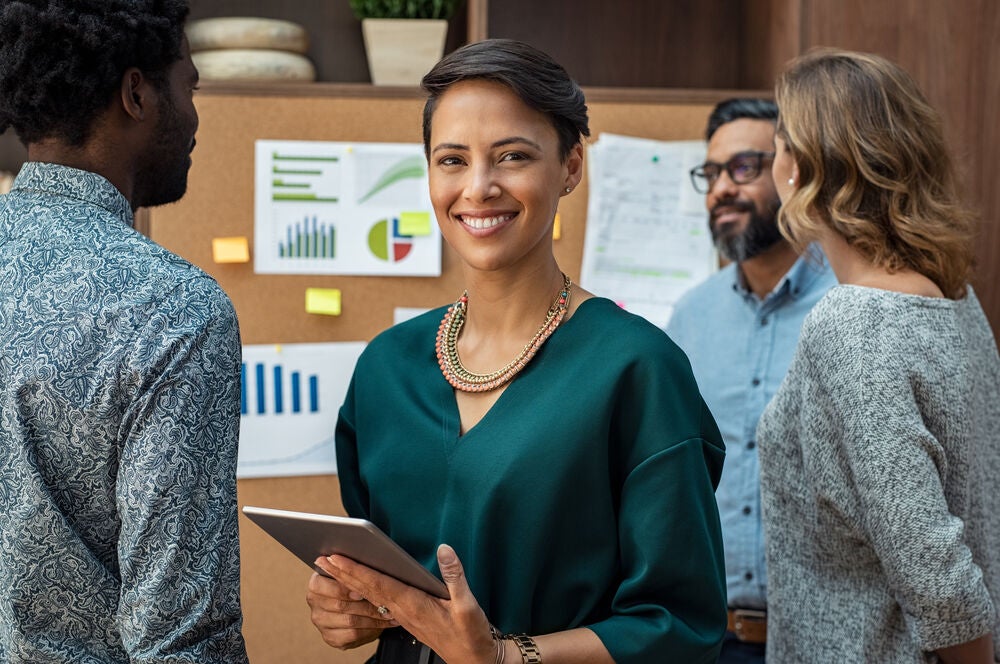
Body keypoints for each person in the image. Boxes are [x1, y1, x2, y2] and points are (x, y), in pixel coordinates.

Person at [306, 38, 727, 663]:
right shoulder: (385, 369)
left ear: (571, 167)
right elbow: (391, 575)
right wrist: (353, 605)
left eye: (512, 156)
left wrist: (505, 657)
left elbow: (679, 626)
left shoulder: (637, 369)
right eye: (452, 160)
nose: (478, 188)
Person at [0, 1, 248, 662]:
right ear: (137, 93)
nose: (194, 116)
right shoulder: (173, 308)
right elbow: (182, 635)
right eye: (188, 87)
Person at [759, 48, 1000, 663]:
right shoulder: (957, 301)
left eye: (779, 142)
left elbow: (936, 571)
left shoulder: (854, 323)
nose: (773, 160)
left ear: (803, 167)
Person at [666, 98, 837, 662]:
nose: (721, 189)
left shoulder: (852, 305)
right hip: (709, 639)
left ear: (795, 173)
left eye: (743, 168)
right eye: (711, 173)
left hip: (825, 638)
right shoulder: (691, 317)